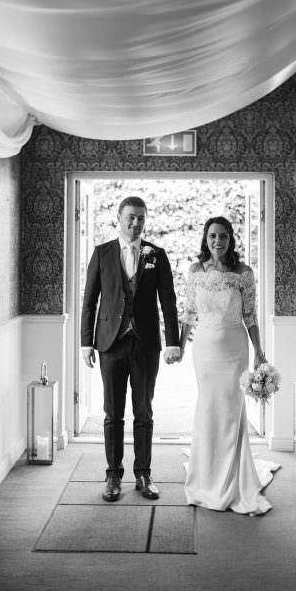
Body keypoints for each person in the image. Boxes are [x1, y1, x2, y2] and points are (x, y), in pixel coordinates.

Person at [80, 196, 180, 502]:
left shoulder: (156, 255)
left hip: (146, 344)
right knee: (112, 413)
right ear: (119, 218)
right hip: (110, 343)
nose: (135, 223)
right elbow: (89, 301)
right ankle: (113, 475)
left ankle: (143, 474)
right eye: (130, 217)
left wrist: (173, 341)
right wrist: (86, 342)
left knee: (143, 412)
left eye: (141, 218)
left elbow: (168, 301)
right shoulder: (102, 253)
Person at [179, 216, 280, 515]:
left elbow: (250, 316)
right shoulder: (195, 271)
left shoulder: (243, 273)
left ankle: (232, 476)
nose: (217, 241)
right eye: (212, 236)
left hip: (235, 350)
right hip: (204, 351)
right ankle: (207, 473)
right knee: (209, 407)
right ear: (205, 239)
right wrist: (180, 346)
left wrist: (259, 351)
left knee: (231, 410)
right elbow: (189, 313)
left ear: (230, 239)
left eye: (222, 236)